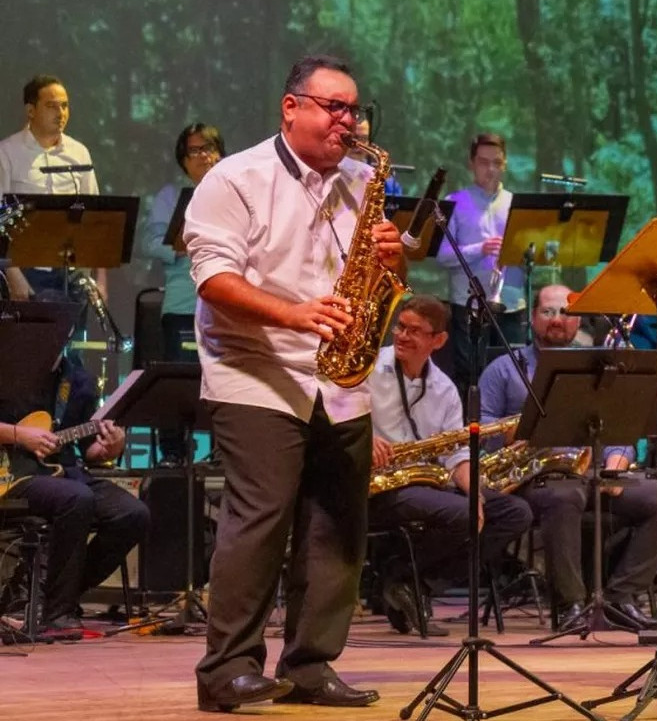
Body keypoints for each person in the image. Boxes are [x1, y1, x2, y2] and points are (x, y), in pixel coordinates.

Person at [184, 54, 405, 712]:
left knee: (338, 527)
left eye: (353, 108)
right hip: (255, 370)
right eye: (333, 107)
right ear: (291, 108)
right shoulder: (235, 178)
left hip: (338, 376)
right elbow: (214, 280)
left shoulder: (364, 180)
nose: (349, 121)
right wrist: (296, 314)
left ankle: (310, 667)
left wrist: (394, 255)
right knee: (260, 523)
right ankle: (228, 671)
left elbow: (369, 268)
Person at [479, 284, 657, 629]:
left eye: (566, 312)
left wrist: (617, 462)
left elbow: (619, 423)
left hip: (594, 472)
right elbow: (481, 423)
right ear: (533, 318)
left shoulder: (599, 365)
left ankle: (620, 598)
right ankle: (572, 604)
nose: (557, 320)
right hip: (536, 475)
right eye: (548, 312)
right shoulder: (504, 368)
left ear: (578, 322)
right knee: (566, 496)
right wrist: (508, 432)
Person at [366, 295, 532, 635]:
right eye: (400, 327)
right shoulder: (369, 367)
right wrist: (363, 437)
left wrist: (476, 495)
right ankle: (401, 575)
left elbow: (456, 455)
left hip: (426, 481)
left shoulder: (443, 388)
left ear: (438, 340)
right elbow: (335, 413)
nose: (402, 335)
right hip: (377, 484)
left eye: (414, 330)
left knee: (514, 513)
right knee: (462, 513)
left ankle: (417, 583)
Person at [0, 360, 149, 640]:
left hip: (62, 472)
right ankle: (57, 613)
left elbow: (89, 449)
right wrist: (19, 435)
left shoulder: (76, 376)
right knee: (76, 498)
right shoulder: (10, 361)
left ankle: (50, 599)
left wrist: (110, 447)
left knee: (132, 513)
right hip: (10, 476)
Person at [138, 123, 225, 464]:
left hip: (227, 306)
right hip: (184, 302)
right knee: (179, 384)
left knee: (224, 382)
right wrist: (179, 246)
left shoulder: (234, 190)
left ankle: (222, 454)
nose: (204, 155)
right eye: (195, 150)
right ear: (183, 160)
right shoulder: (169, 197)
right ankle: (172, 457)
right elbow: (148, 243)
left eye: (210, 148)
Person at [436, 133, 525, 389]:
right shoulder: (455, 202)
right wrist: (481, 249)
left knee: (513, 373)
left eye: (496, 163)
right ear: (471, 163)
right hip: (469, 304)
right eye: (484, 162)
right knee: (471, 373)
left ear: (505, 164)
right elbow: (442, 256)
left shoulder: (515, 204)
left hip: (510, 302)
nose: (490, 169)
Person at [0, 75, 101, 301]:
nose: (60, 113)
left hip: (72, 273)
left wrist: (95, 277)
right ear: (30, 110)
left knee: (73, 337)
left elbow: (95, 217)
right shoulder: (7, 153)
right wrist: (13, 275)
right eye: (51, 106)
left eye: (64, 106)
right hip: (25, 271)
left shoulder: (79, 153)